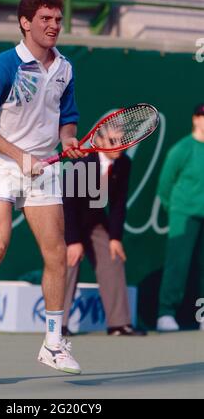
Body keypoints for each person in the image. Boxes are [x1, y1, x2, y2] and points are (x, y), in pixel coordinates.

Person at [0, 0, 84, 375]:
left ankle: (53, 342)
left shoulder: (65, 68)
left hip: (43, 168)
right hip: (0, 164)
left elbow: (67, 118)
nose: (53, 26)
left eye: (58, 19)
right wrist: (18, 156)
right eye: (45, 19)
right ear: (25, 23)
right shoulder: (1, 66)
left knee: (57, 254)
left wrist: (68, 141)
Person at [62, 129, 146, 336]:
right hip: (66, 219)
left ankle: (118, 324)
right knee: (69, 262)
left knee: (114, 257)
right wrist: (73, 241)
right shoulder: (83, 163)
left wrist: (115, 238)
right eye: (112, 141)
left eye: (123, 141)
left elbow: (118, 204)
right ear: (98, 141)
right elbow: (68, 203)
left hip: (95, 220)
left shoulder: (124, 163)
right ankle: (59, 325)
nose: (119, 146)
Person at [157, 104, 204, 332]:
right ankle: (166, 313)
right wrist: (175, 209)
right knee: (178, 264)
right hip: (183, 215)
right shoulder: (181, 149)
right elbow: (165, 185)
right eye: (203, 116)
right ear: (195, 119)